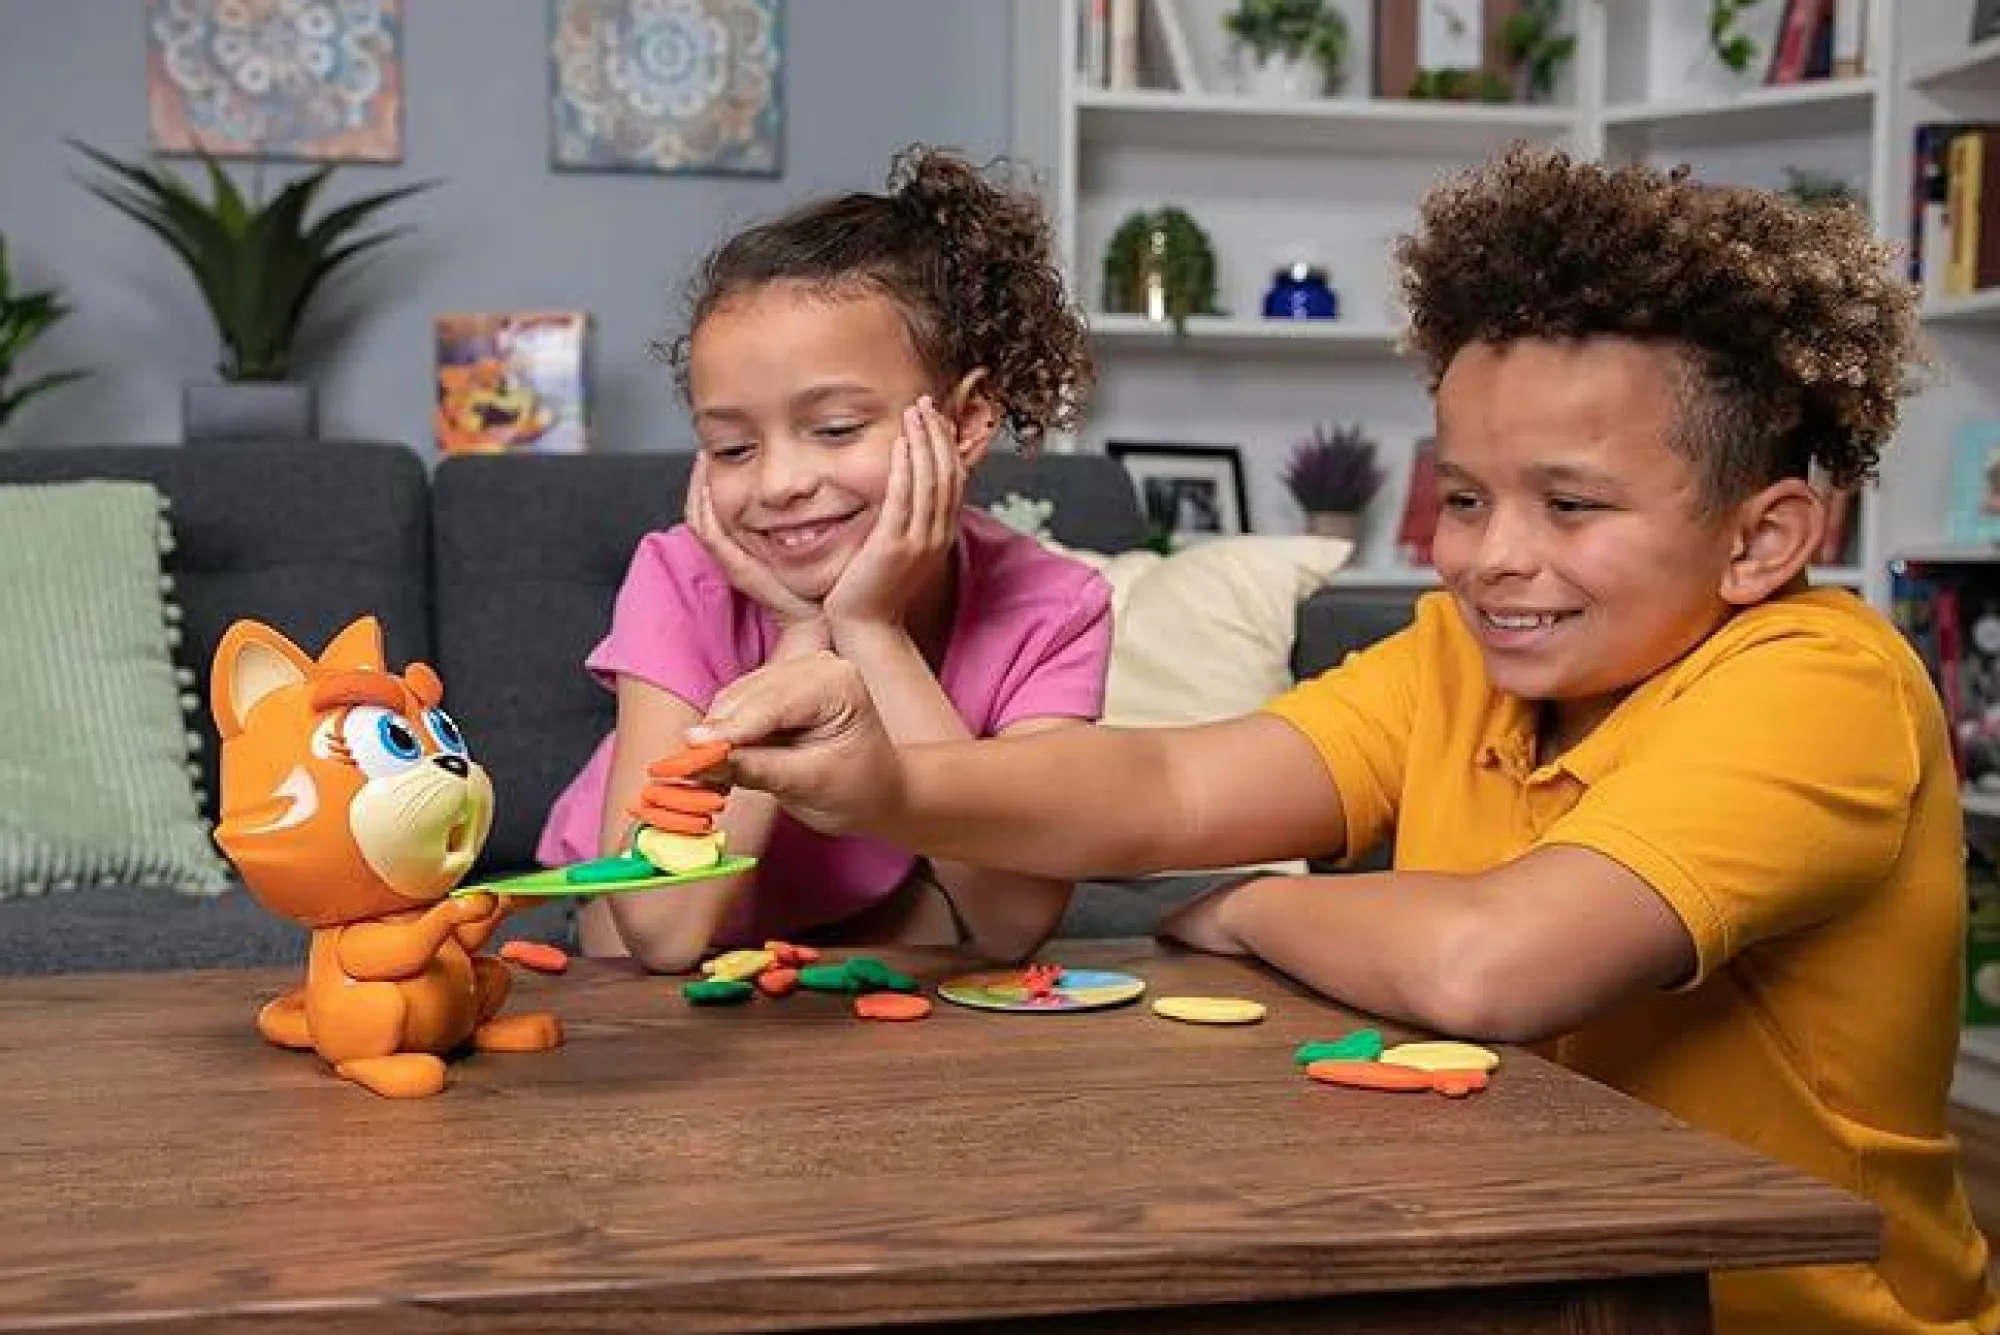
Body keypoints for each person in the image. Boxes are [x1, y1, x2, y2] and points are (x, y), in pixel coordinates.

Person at [658, 145, 1998, 1335]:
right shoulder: (1455, 659)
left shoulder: (1823, 685)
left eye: (1570, 505)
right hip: (1520, 1270)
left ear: (1761, 539)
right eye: (1463, 497)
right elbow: (1168, 782)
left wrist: (1246, 908)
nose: (1491, 556)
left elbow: (1492, 963)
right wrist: (886, 781)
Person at [536, 145, 1112, 973]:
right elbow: (660, 930)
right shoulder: (679, 577)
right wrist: (800, 635)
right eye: (732, 447)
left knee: (934, 938)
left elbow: (1014, 922)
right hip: (635, 917)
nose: (779, 483)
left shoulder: (1055, 607)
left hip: (862, 901)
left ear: (965, 421)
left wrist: (870, 627)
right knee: (618, 958)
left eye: (836, 429)